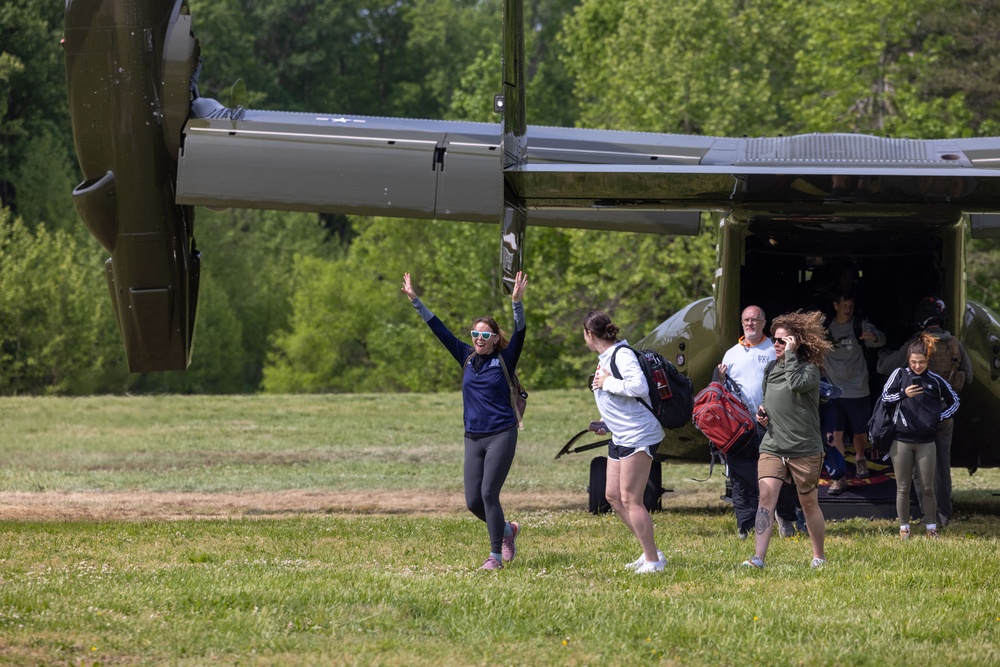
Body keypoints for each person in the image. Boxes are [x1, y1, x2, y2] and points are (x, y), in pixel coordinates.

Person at [401, 271, 528, 571]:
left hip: (502, 433)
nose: (479, 339)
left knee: (488, 493)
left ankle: (495, 556)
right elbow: (439, 329)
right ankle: (508, 530)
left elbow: (520, 333)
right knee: (473, 501)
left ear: (496, 339)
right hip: (473, 436)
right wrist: (415, 300)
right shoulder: (467, 357)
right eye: (475, 334)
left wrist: (516, 304)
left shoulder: (504, 360)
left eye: (485, 335)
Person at [742, 311, 833, 570]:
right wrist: (763, 413)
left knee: (808, 503)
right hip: (772, 444)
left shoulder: (810, 370)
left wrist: (791, 355)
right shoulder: (770, 368)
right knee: (765, 498)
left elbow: (795, 384)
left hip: (804, 448)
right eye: (775, 340)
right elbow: (768, 398)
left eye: (783, 341)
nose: (777, 345)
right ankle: (758, 558)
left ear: (796, 343)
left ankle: (819, 556)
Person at [877, 296, 972, 527]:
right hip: (944, 416)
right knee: (941, 467)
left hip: (917, 418)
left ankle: (927, 516)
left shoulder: (917, 344)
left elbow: (885, 367)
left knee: (920, 474)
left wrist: (881, 353)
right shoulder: (955, 344)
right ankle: (944, 515)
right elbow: (968, 377)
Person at [584, 310, 667, 574]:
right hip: (621, 433)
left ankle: (654, 561)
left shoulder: (622, 354)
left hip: (638, 434)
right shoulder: (606, 357)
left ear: (589, 334)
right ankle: (649, 551)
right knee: (612, 496)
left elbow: (638, 388)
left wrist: (608, 383)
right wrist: (605, 421)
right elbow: (622, 400)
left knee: (632, 499)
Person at [717, 305, 801, 540]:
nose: (750, 324)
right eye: (746, 320)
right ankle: (746, 527)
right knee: (741, 479)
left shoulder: (774, 349)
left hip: (771, 424)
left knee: (780, 476)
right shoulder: (731, 353)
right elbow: (721, 392)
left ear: (764, 323)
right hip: (740, 428)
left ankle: (786, 519)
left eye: (754, 320)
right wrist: (719, 378)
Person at [879, 333, 960, 539]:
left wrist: (939, 417)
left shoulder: (935, 380)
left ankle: (931, 529)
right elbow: (885, 398)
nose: (917, 366)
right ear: (908, 360)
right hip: (901, 440)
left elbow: (955, 402)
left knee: (927, 487)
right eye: (913, 362)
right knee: (903, 487)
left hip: (926, 441)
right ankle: (904, 528)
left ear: (928, 361)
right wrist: (904, 394)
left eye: (921, 362)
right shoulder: (898, 374)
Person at [823, 292, 886, 494]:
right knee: (835, 434)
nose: (848, 309)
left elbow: (881, 339)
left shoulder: (860, 324)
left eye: (851, 305)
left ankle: (860, 458)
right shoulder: (824, 328)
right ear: (835, 305)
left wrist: (873, 337)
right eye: (844, 305)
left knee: (860, 431)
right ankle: (839, 475)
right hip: (833, 391)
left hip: (857, 389)